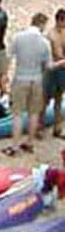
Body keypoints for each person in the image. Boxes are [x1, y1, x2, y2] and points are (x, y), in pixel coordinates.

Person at [5, 13, 52, 156]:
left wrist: (6, 75)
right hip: (36, 78)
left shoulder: (18, 37)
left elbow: (9, 57)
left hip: (21, 77)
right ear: (42, 25)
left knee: (17, 114)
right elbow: (48, 66)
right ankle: (30, 143)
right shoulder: (44, 42)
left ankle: (14, 146)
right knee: (34, 113)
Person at [46, 8, 65, 138]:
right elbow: (57, 55)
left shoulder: (63, 32)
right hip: (55, 69)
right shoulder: (51, 35)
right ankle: (53, 127)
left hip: (61, 67)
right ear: (58, 21)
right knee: (51, 98)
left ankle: (58, 127)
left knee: (59, 98)